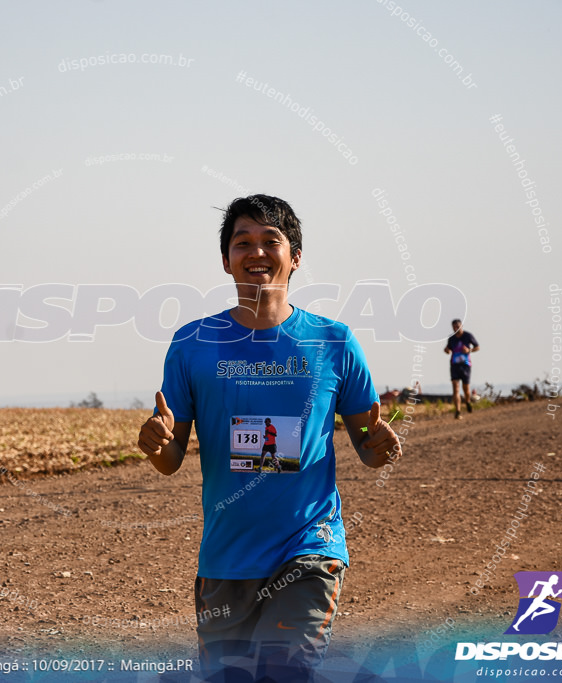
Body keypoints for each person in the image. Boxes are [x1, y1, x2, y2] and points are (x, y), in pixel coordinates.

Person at [137, 195, 402, 680]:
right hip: (226, 559)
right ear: (226, 260)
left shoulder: (334, 342)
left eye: (270, 240)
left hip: (308, 548)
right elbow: (171, 456)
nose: (256, 251)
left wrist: (379, 445)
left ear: (295, 256)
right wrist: (156, 445)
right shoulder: (193, 344)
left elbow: (368, 441)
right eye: (243, 242)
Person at [444, 319, 480, 419]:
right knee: (456, 389)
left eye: (457, 327)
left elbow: (477, 347)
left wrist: (469, 350)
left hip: (466, 364)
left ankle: (468, 402)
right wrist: (446, 350)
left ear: (461, 326)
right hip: (454, 364)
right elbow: (448, 349)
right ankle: (458, 411)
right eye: (454, 327)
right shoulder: (451, 338)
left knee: (466, 389)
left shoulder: (468, 336)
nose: (456, 328)